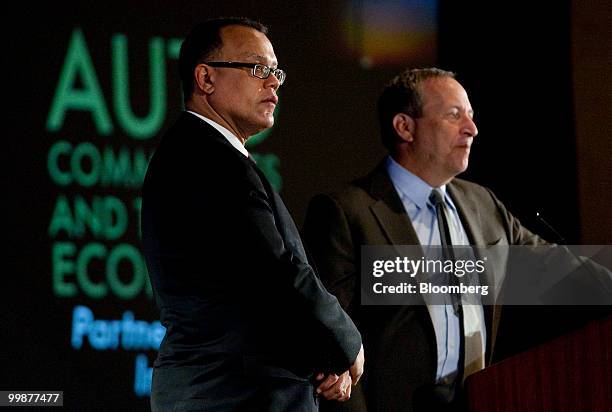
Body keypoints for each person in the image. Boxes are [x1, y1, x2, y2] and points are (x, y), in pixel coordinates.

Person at [141, 17, 364, 412]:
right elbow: (276, 274)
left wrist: (322, 357)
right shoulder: (208, 160)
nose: (274, 81)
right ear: (206, 78)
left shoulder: (208, 155)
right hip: (234, 393)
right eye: (257, 68)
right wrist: (347, 344)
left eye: (276, 71)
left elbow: (251, 292)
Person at [303, 68, 549, 411]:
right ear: (405, 127)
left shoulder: (482, 202)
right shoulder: (346, 211)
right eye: (454, 115)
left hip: (478, 400)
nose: (472, 129)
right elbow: (333, 341)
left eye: (471, 116)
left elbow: (556, 267)